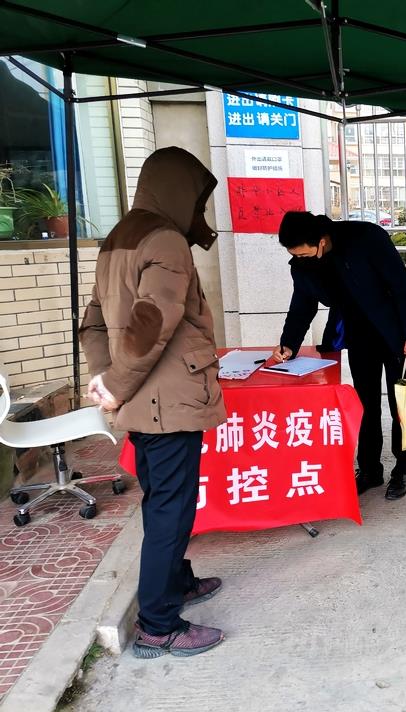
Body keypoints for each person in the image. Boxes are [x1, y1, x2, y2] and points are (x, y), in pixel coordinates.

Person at [80, 146, 225, 659]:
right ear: (177, 189)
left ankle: (178, 580)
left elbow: (93, 323)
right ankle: (159, 625)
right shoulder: (165, 239)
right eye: (197, 197)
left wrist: (107, 378)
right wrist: (116, 382)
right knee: (172, 508)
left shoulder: (118, 238)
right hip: (168, 403)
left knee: (163, 502)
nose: (198, 210)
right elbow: (153, 320)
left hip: (144, 405)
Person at [274, 211, 406, 500]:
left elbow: (402, 284)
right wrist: (289, 343)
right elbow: (302, 303)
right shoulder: (305, 264)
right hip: (359, 335)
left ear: (321, 242)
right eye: (295, 256)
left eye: (304, 254)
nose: (300, 260)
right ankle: (369, 470)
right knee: (365, 404)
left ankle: (404, 467)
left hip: (396, 332)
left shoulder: (366, 237)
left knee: (402, 403)